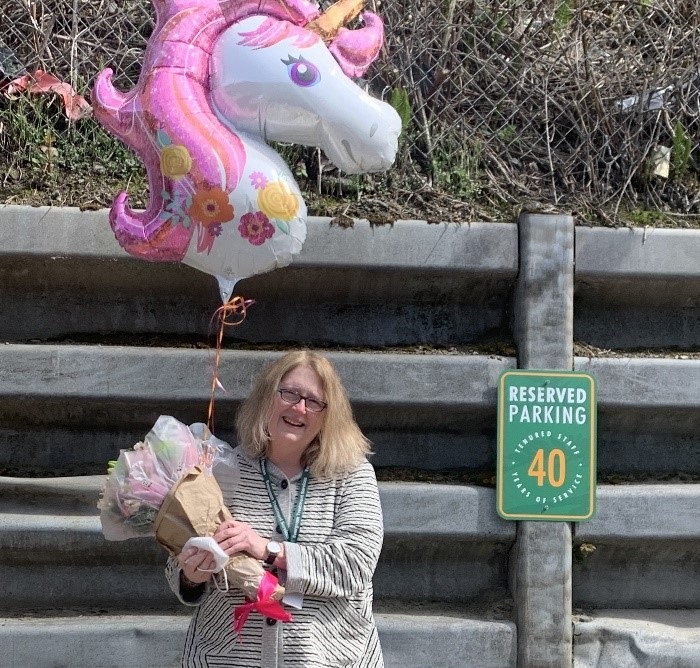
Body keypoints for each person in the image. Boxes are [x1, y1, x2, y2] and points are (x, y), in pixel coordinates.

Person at [165, 350, 384, 667]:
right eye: (290, 393)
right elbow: (178, 565)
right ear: (268, 397)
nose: (299, 407)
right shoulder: (224, 467)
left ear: (327, 415)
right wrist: (190, 574)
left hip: (326, 658)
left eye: (314, 401)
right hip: (227, 659)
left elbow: (354, 565)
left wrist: (267, 549)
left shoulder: (351, 475)